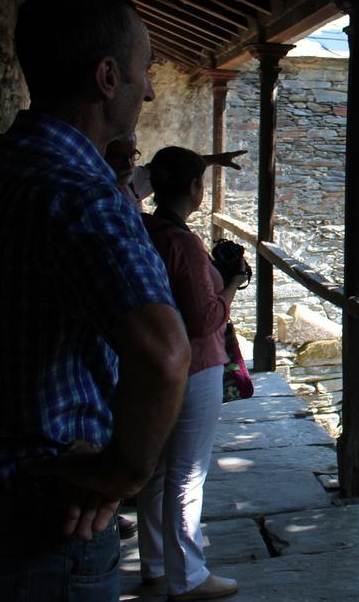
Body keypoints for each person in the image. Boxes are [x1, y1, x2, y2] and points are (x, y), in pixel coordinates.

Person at [0, 0, 191, 599]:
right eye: (143, 70)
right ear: (107, 77)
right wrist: (117, 475)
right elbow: (163, 353)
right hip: (41, 530)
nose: (151, 88)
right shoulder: (84, 199)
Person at [137, 146, 247, 600]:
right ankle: (190, 577)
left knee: (159, 468)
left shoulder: (145, 224)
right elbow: (204, 318)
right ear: (194, 190)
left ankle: (157, 562)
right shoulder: (181, 241)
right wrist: (232, 284)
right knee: (187, 472)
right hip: (196, 362)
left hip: (157, 359)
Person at [104, 134, 247, 209]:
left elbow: (179, 166)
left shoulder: (132, 179)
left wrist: (216, 159)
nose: (129, 164)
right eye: (118, 157)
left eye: (132, 155)